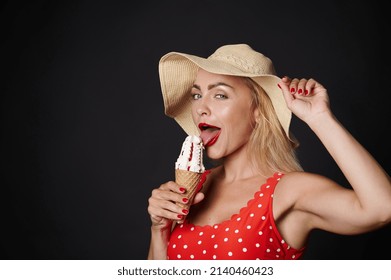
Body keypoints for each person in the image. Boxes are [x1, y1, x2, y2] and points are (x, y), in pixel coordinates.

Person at [147, 44, 391, 260]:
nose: (201, 107)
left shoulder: (289, 191)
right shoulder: (191, 189)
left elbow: (382, 209)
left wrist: (320, 117)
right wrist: (160, 229)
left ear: (258, 111)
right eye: (197, 95)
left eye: (220, 95)